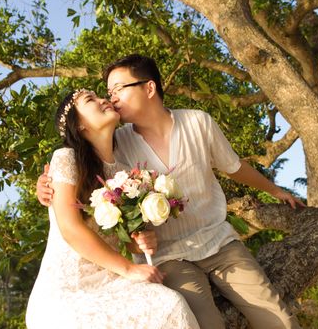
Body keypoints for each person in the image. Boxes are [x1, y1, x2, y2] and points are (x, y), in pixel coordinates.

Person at [37, 55, 305, 329]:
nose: (111, 98)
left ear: (149, 88)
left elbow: (233, 166)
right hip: (169, 257)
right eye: (107, 93)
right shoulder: (118, 144)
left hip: (218, 242)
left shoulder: (197, 123)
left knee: (280, 320)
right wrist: (47, 184)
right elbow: (77, 168)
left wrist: (274, 189)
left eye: (118, 89)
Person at [26, 88, 199, 329]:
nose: (103, 100)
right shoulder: (66, 158)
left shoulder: (126, 173)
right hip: (68, 289)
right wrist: (129, 268)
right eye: (91, 100)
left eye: (100, 96)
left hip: (113, 279)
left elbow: (126, 241)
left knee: (171, 304)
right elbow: (70, 228)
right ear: (80, 126)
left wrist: (142, 238)